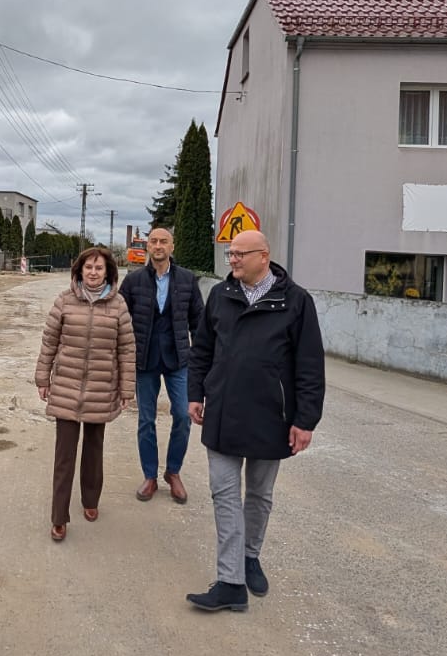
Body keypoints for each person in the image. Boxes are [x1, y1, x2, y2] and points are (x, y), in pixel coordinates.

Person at [185, 229, 324, 612]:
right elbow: (202, 352)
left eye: (239, 254)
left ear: (263, 256)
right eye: (230, 254)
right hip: (223, 414)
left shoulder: (296, 302)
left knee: (259, 497)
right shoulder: (220, 295)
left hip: (271, 418)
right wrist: (195, 394)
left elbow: (310, 367)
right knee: (224, 495)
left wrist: (305, 420)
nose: (232, 260)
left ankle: (249, 557)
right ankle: (230, 581)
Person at [33, 246, 135, 542]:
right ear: (79, 270)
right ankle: (59, 516)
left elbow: (127, 349)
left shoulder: (118, 305)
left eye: (99, 268)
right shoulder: (64, 301)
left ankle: (90, 500)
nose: (93, 272)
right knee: (64, 455)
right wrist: (43, 377)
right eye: (88, 267)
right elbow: (49, 341)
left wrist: (126, 388)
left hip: (101, 388)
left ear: (108, 272)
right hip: (66, 386)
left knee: (94, 449)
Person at [116, 227, 204, 503]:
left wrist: (202, 361)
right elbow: (119, 321)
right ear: (147, 247)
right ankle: (151, 475)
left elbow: (198, 323)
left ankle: (173, 472)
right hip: (144, 361)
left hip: (179, 359)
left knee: (182, 415)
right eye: (153, 241)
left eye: (163, 241)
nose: (158, 245)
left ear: (172, 246)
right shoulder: (133, 281)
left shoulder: (188, 281)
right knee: (146, 420)